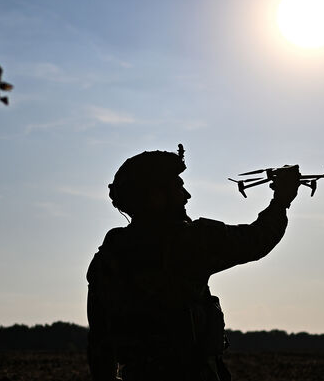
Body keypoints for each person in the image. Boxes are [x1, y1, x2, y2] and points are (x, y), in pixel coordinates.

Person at [86, 145, 300, 381]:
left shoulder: (107, 258)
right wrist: (281, 201)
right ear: (156, 197)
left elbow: (99, 342)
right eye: (178, 187)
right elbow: (256, 240)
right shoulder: (189, 242)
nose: (187, 195)